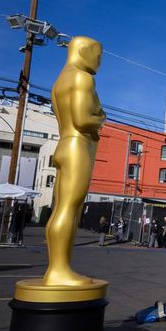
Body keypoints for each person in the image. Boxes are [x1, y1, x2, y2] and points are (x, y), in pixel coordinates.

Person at [44, 36, 105, 286]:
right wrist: (101, 117)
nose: (99, 61)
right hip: (78, 145)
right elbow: (83, 119)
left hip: (63, 143)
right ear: (83, 51)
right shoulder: (83, 78)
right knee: (70, 208)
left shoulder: (61, 80)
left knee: (62, 208)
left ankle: (57, 267)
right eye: (97, 55)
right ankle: (59, 269)